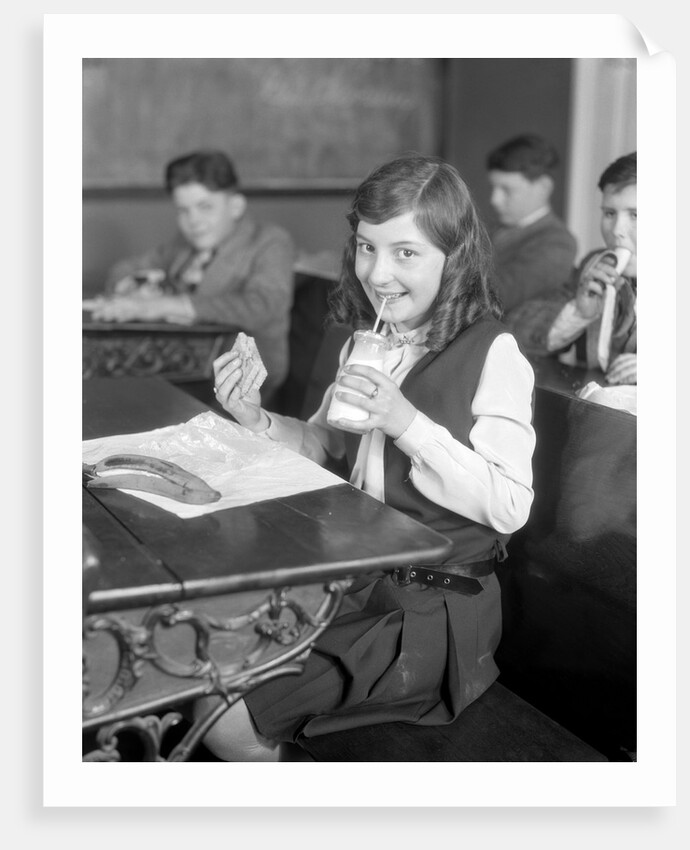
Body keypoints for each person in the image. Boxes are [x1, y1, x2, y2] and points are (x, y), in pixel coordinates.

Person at [192, 153, 536, 761]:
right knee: (200, 654)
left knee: (219, 716)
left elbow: (510, 505)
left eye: (406, 253)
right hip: (361, 584)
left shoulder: (494, 351)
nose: (378, 274)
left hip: (433, 611)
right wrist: (257, 417)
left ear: (452, 257)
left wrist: (406, 423)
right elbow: (325, 443)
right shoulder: (367, 342)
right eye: (366, 248)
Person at [88, 149, 295, 398]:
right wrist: (132, 287)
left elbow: (263, 306)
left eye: (205, 206)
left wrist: (163, 306)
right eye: (183, 210)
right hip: (174, 368)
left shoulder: (268, 242)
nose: (193, 220)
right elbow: (125, 268)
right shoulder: (184, 246)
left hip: (241, 380)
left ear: (236, 206)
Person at [507, 152, 637, 386]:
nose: (617, 229)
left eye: (635, 215)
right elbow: (516, 331)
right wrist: (578, 312)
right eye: (609, 213)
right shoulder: (594, 266)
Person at [486, 133, 577, 313]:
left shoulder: (557, 244)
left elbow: (495, 298)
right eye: (494, 188)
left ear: (543, 187)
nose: (494, 199)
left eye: (507, 189)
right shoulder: (491, 230)